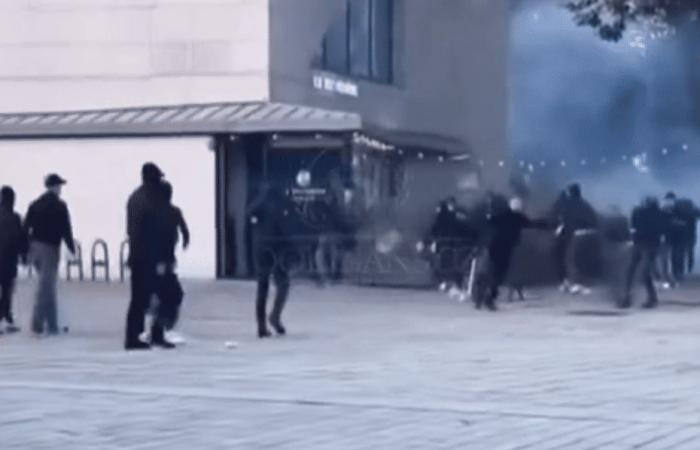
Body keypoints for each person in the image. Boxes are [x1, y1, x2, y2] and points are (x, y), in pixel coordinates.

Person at [124, 162, 173, 350]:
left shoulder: (137, 198)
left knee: (143, 298)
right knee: (150, 297)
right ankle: (140, 336)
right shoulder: (149, 200)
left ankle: (140, 335)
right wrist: (160, 257)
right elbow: (153, 231)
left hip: (140, 257)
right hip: (148, 258)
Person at [24, 174, 75, 336]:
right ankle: (37, 325)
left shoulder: (35, 204)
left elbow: (25, 227)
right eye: (59, 186)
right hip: (50, 249)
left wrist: (24, 249)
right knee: (45, 287)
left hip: (34, 247)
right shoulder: (60, 206)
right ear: (53, 187)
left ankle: (52, 324)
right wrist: (72, 248)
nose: (60, 189)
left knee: (48, 286)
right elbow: (66, 229)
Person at [481, 197, 548, 311]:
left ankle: (482, 294)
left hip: (494, 246)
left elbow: (489, 222)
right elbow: (531, 224)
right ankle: (489, 297)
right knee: (499, 274)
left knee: (492, 271)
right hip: (506, 247)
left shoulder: (501, 215)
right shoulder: (518, 217)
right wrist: (545, 223)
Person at [153, 181, 189, 336]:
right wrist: (185, 242)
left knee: (164, 291)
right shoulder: (173, 211)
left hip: (160, 257)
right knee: (170, 292)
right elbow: (184, 230)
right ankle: (163, 323)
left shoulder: (154, 211)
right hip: (166, 257)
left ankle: (162, 323)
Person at [549, 183, 597, 293]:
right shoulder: (584, 204)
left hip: (567, 234)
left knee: (565, 258)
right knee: (572, 259)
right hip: (578, 235)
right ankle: (572, 282)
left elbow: (556, 215)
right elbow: (592, 219)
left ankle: (568, 281)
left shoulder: (566, 204)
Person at [621, 197, 665, 309]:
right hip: (648, 244)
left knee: (635, 271)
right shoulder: (658, 214)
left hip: (643, 244)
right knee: (638, 272)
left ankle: (629, 298)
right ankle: (645, 297)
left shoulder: (639, 212)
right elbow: (661, 230)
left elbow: (633, 227)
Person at [0, 186, 28, 333]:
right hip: (9, 261)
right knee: (7, 290)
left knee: (5, 290)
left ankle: (6, 316)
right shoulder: (16, 218)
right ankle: (6, 315)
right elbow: (22, 239)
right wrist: (24, 256)